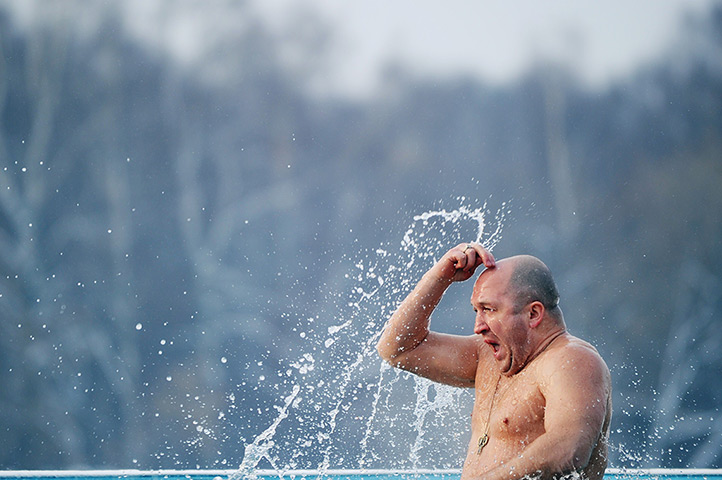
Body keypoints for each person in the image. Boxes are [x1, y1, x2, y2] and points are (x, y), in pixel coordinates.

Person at [377, 242, 612, 480]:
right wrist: (440, 276)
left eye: (488, 309)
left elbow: (568, 451)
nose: (478, 327)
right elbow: (398, 349)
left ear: (533, 314)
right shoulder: (486, 357)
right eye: (476, 311)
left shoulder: (572, 360)